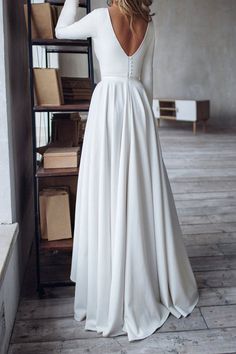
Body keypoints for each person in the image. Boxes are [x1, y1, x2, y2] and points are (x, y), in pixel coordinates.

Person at [55, 0, 199, 342]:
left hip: (107, 109)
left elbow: (60, 30)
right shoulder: (148, 23)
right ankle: (144, 275)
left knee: (106, 191)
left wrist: (72, 0)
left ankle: (111, 278)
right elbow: (148, 82)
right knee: (140, 193)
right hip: (138, 109)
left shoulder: (98, 18)